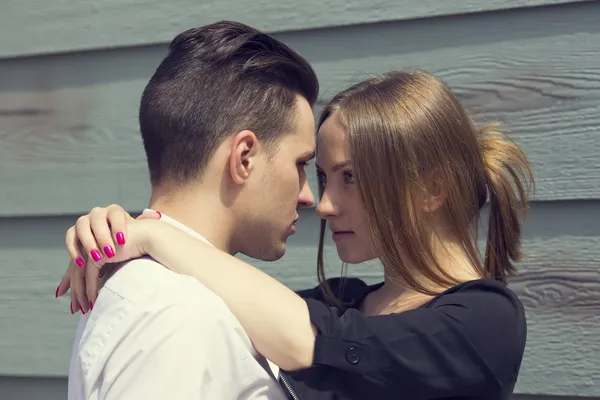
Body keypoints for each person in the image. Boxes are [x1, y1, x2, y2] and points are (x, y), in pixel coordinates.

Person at [57, 69, 535, 399]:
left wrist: (156, 236)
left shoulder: (486, 321)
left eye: (350, 177)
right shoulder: (341, 299)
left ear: (431, 187)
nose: (323, 204)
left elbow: (305, 341)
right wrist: (117, 230)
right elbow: (229, 300)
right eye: (323, 178)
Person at [57, 20, 320, 400]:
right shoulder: (179, 315)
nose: (308, 195)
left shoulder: (170, 298)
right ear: (244, 158)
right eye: (301, 165)